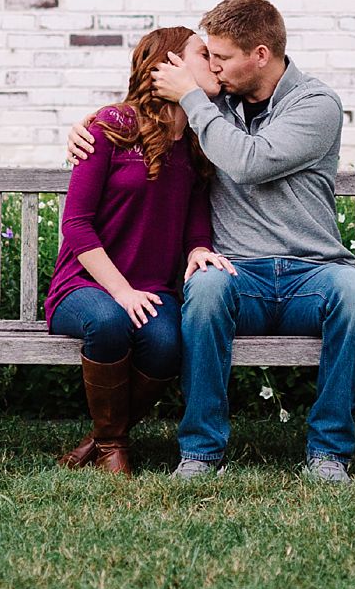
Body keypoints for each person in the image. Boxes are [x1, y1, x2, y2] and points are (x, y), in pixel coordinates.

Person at [68, 0, 355, 484]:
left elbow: (250, 161)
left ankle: (328, 452)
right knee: (206, 289)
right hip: (237, 272)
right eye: (207, 55)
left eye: (222, 57)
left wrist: (192, 97)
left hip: (314, 273)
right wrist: (88, 125)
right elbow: (146, 112)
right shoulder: (214, 100)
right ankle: (200, 451)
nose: (211, 66)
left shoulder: (316, 104)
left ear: (260, 55)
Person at [47, 26, 226, 476]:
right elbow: (76, 223)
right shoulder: (112, 127)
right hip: (84, 284)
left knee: (166, 343)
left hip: (152, 288)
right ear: (169, 65)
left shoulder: (198, 141)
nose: (216, 63)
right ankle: (113, 449)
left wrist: (198, 249)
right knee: (108, 321)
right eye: (204, 54)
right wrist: (122, 292)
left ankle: (100, 440)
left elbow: (195, 220)